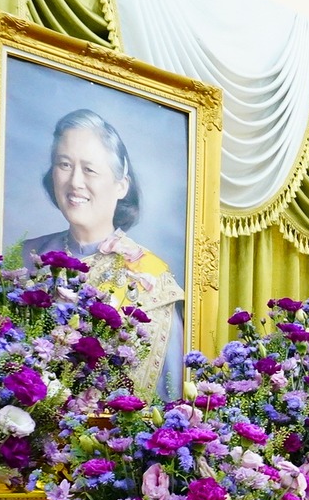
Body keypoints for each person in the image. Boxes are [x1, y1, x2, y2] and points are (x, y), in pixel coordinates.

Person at [19, 108, 187, 399]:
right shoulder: (25, 257)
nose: (75, 182)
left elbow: (165, 395)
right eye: (64, 165)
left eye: (89, 169)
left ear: (121, 186)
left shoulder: (151, 278)